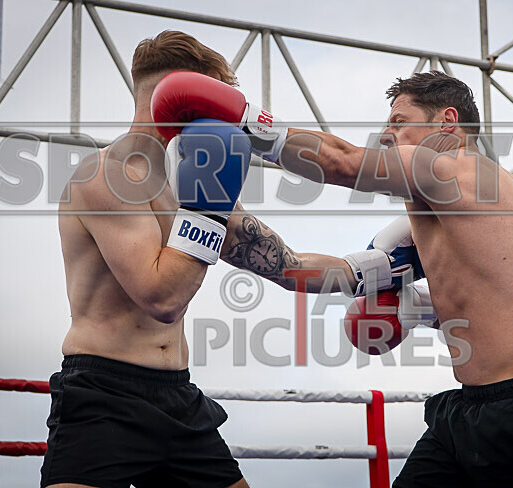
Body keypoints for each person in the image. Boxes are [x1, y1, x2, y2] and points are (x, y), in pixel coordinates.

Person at [150, 70, 513, 486]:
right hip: (471, 409)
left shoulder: (460, 171)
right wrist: (214, 216)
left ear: (447, 122)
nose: (386, 134)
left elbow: (342, 161)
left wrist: (244, 119)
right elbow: (315, 272)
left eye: (399, 120)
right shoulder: (431, 219)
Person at [42, 30, 384, 488]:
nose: (222, 118)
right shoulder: (106, 176)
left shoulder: (189, 186)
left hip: (177, 397)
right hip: (104, 397)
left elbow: (285, 265)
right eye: (214, 101)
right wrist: (208, 208)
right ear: (184, 97)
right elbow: (162, 297)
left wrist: (378, 271)